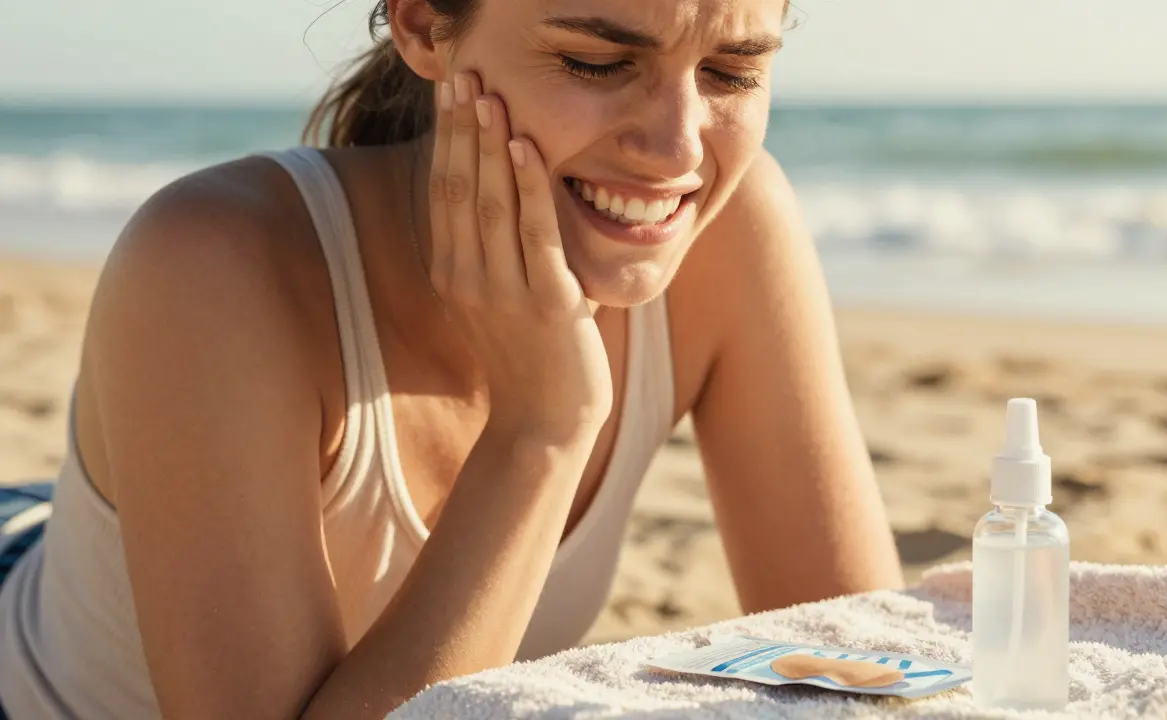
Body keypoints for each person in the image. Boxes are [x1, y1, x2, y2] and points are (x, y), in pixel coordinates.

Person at [0, 0, 904, 717]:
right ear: (424, 26)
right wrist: (542, 429)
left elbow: (868, 670)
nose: (676, 148)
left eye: (733, 71)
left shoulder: (732, 233)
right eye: (597, 61)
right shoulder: (211, 262)